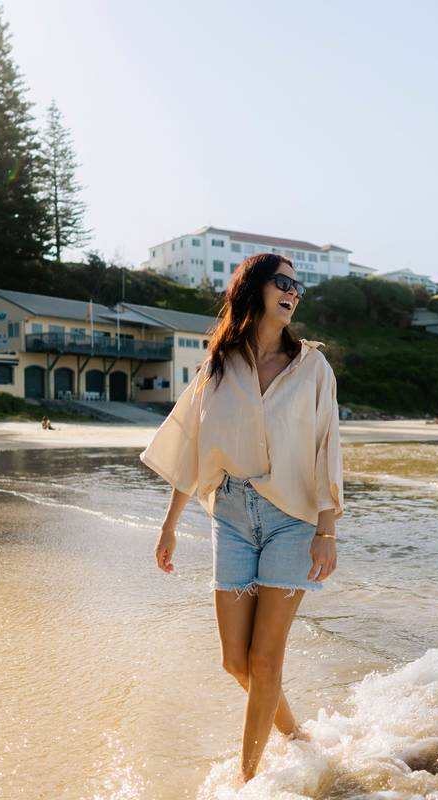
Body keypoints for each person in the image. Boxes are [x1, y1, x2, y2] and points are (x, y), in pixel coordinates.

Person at [139, 253, 343, 782]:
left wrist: (327, 530)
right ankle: (295, 734)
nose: (292, 292)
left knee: (266, 658)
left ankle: (247, 782)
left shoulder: (313, 367)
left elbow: (327, 450)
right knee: (236, 661)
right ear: (253, 289)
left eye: (298, 287)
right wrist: (169, 525)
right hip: (229, 514)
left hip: (292, 519)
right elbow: (190, 444)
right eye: (282, 282)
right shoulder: (218, 365)